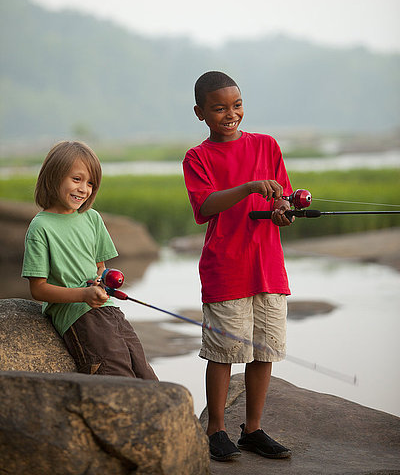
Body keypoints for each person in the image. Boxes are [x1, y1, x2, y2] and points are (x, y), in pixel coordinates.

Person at [183, 71, 293, 461]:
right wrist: (248, 188)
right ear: (200, 113)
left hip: (268, 269)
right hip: (225, 269)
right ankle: (216, 430)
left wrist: (282, 211)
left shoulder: (267, 145)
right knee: (224, 353)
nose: (230, 114)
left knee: (264, 351)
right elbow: (205, 206)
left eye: (237, 105)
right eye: (219, 108)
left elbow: (283, 199)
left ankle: (253, 429)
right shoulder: (198, 157)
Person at [22, 140, 157, 380]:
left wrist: (102, 280)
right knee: (116, 376)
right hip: (77, 317)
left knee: (144, 373)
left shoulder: (92, 218)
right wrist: (83, 295)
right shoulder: (40, 226)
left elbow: (100, 267)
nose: (84, 189)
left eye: (90, 183)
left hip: (109, 310)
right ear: (54, 177)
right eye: (76, 179)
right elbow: (38, 289)